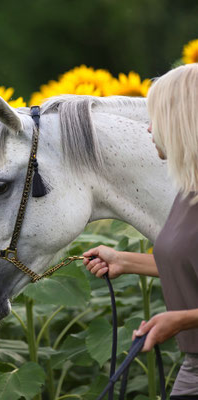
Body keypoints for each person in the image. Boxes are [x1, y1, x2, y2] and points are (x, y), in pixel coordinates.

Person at [83, 63, 198, 399]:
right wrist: (124, 261)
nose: (149, 130)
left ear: (181, 122)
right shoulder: (187, 191)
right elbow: (189, 263)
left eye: (156, 119)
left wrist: (180, 320)